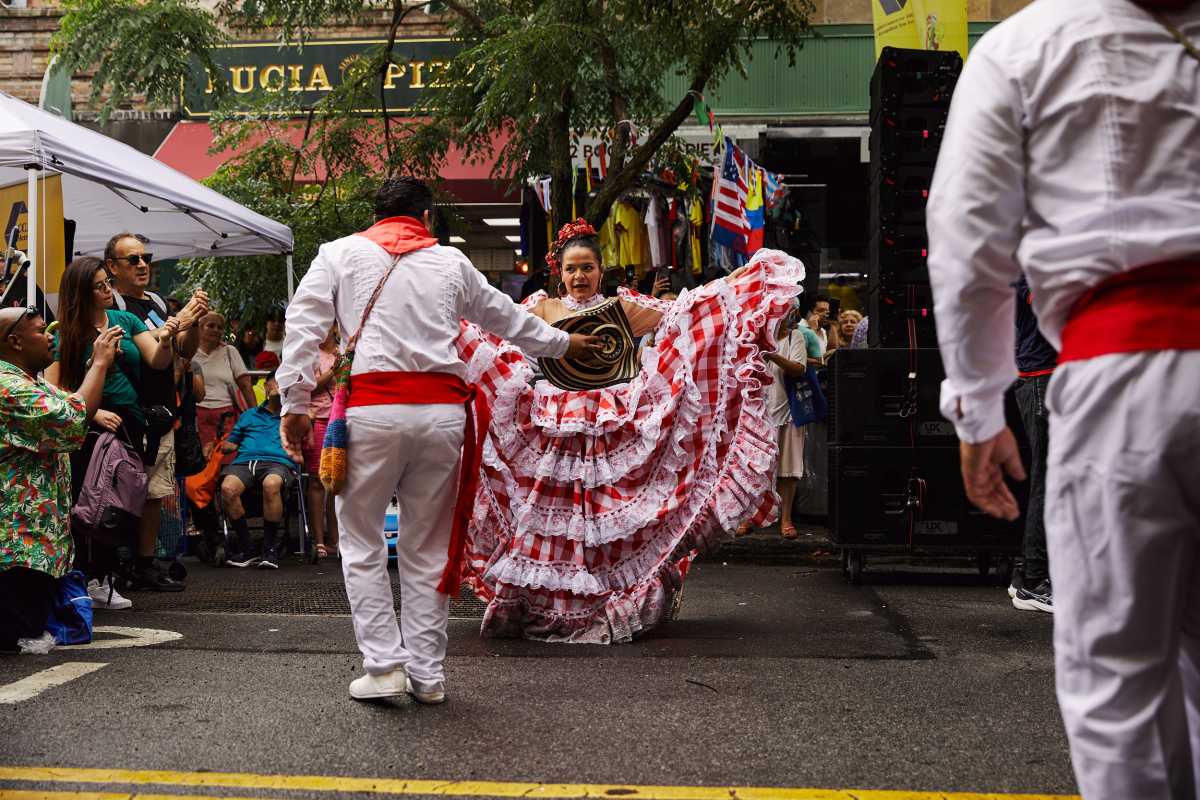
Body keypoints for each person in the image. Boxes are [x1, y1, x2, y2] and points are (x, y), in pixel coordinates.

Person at [925, 3, 1200, 797]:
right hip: (1120, 361)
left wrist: (978, 411)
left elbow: (969, 239)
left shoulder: (1026, 47)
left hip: (1124, 383)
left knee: (1118, 683)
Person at [277, 177, 603, 704]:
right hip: (440, 418)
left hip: (371, 414)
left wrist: (293, 403)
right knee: (426, 547)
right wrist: (567, 343)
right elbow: (511, 320)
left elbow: (302, 329)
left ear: (376, 214)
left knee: (360, 541)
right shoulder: (451, 264)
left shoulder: (337, 255)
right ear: (425, 219)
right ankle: (428, 675)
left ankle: (384, 666)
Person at [452, 218, 803, 644]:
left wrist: (729, 288)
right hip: (553, 425)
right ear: (558, 273)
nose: (578, 276)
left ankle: (607, 602)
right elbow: (499, 334)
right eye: (570, 269)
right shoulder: (541, 308)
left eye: (586, 268)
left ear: (601, 270)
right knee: (554, 520)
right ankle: (542, 604)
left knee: (602, 520)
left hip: (611, 422)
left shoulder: (623, 306)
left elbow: (682, 315)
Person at [46, 257, 182, 603]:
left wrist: (167, 337)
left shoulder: (125, 319)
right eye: (99, 285)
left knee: (119, 499)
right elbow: (53, 386)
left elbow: (157, 360)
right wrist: (94, 414)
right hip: (89, 425)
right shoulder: (65, 332)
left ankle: (106, 577)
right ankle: (84, 577)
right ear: (81, 292)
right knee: (87, 498)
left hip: (129, 422)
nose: (108, 290)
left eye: (108, 282)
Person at [0, 307, 121, 652]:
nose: (51, 336)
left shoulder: (30, 381)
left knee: (26, 632)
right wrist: (98, 364)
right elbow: (71, 419)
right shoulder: (7, 387)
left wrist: (94, 370)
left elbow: (76, 402)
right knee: (16, 635)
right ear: (15, 342)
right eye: (42, 331)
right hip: (15, 545)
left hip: (36, 542)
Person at [106, 232, 209, 592]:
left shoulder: (156, 302)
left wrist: (193, 321)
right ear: (111, 267)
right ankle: (114, 563)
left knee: (155, 491)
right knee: (122, 491)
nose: (142, 264)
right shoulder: (113, 305)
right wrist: (178, 320)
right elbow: (145, 354)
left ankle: (145, 563)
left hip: (163, 412)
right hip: (127, 412)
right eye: (132, 259)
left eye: (145, 257)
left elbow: (183, 349)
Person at [1009, 275, 1056, 614]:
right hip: (1042, 377)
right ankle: (1033, 583)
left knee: (1048, 479)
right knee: (1048, 481)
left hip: (1045, 376)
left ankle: (1025, 575)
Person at [218, 372, 297, 570]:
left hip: (277, 463)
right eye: (274, 382)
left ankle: (269, 549)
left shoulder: (293, 415)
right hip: (245, 462)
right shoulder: (249, 415)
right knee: (227, 488)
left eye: (282, 383)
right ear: (266, 386)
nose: (278, 386)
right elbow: (230, 444)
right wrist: (221, 444)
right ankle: (248, 548)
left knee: (271, 484)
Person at [191, 312, 256, 452]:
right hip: (197, 418)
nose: (216, 330)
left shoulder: (229, 352)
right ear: (200, 328)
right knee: (200, 463)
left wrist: (254, 416)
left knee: (225, 459)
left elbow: (245, 385)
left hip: (226, 417)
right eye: (211, 326)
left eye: (220, 327)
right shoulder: (189, 351)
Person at [302, 325, 340, 560]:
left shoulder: (346, 350)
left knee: (338, 482)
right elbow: (309, 386)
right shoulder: (311, 353)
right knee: (317, 482)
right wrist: (334, 369)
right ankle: (319, 541)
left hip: (341, 418)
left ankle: (337, 540)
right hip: (318, 419)